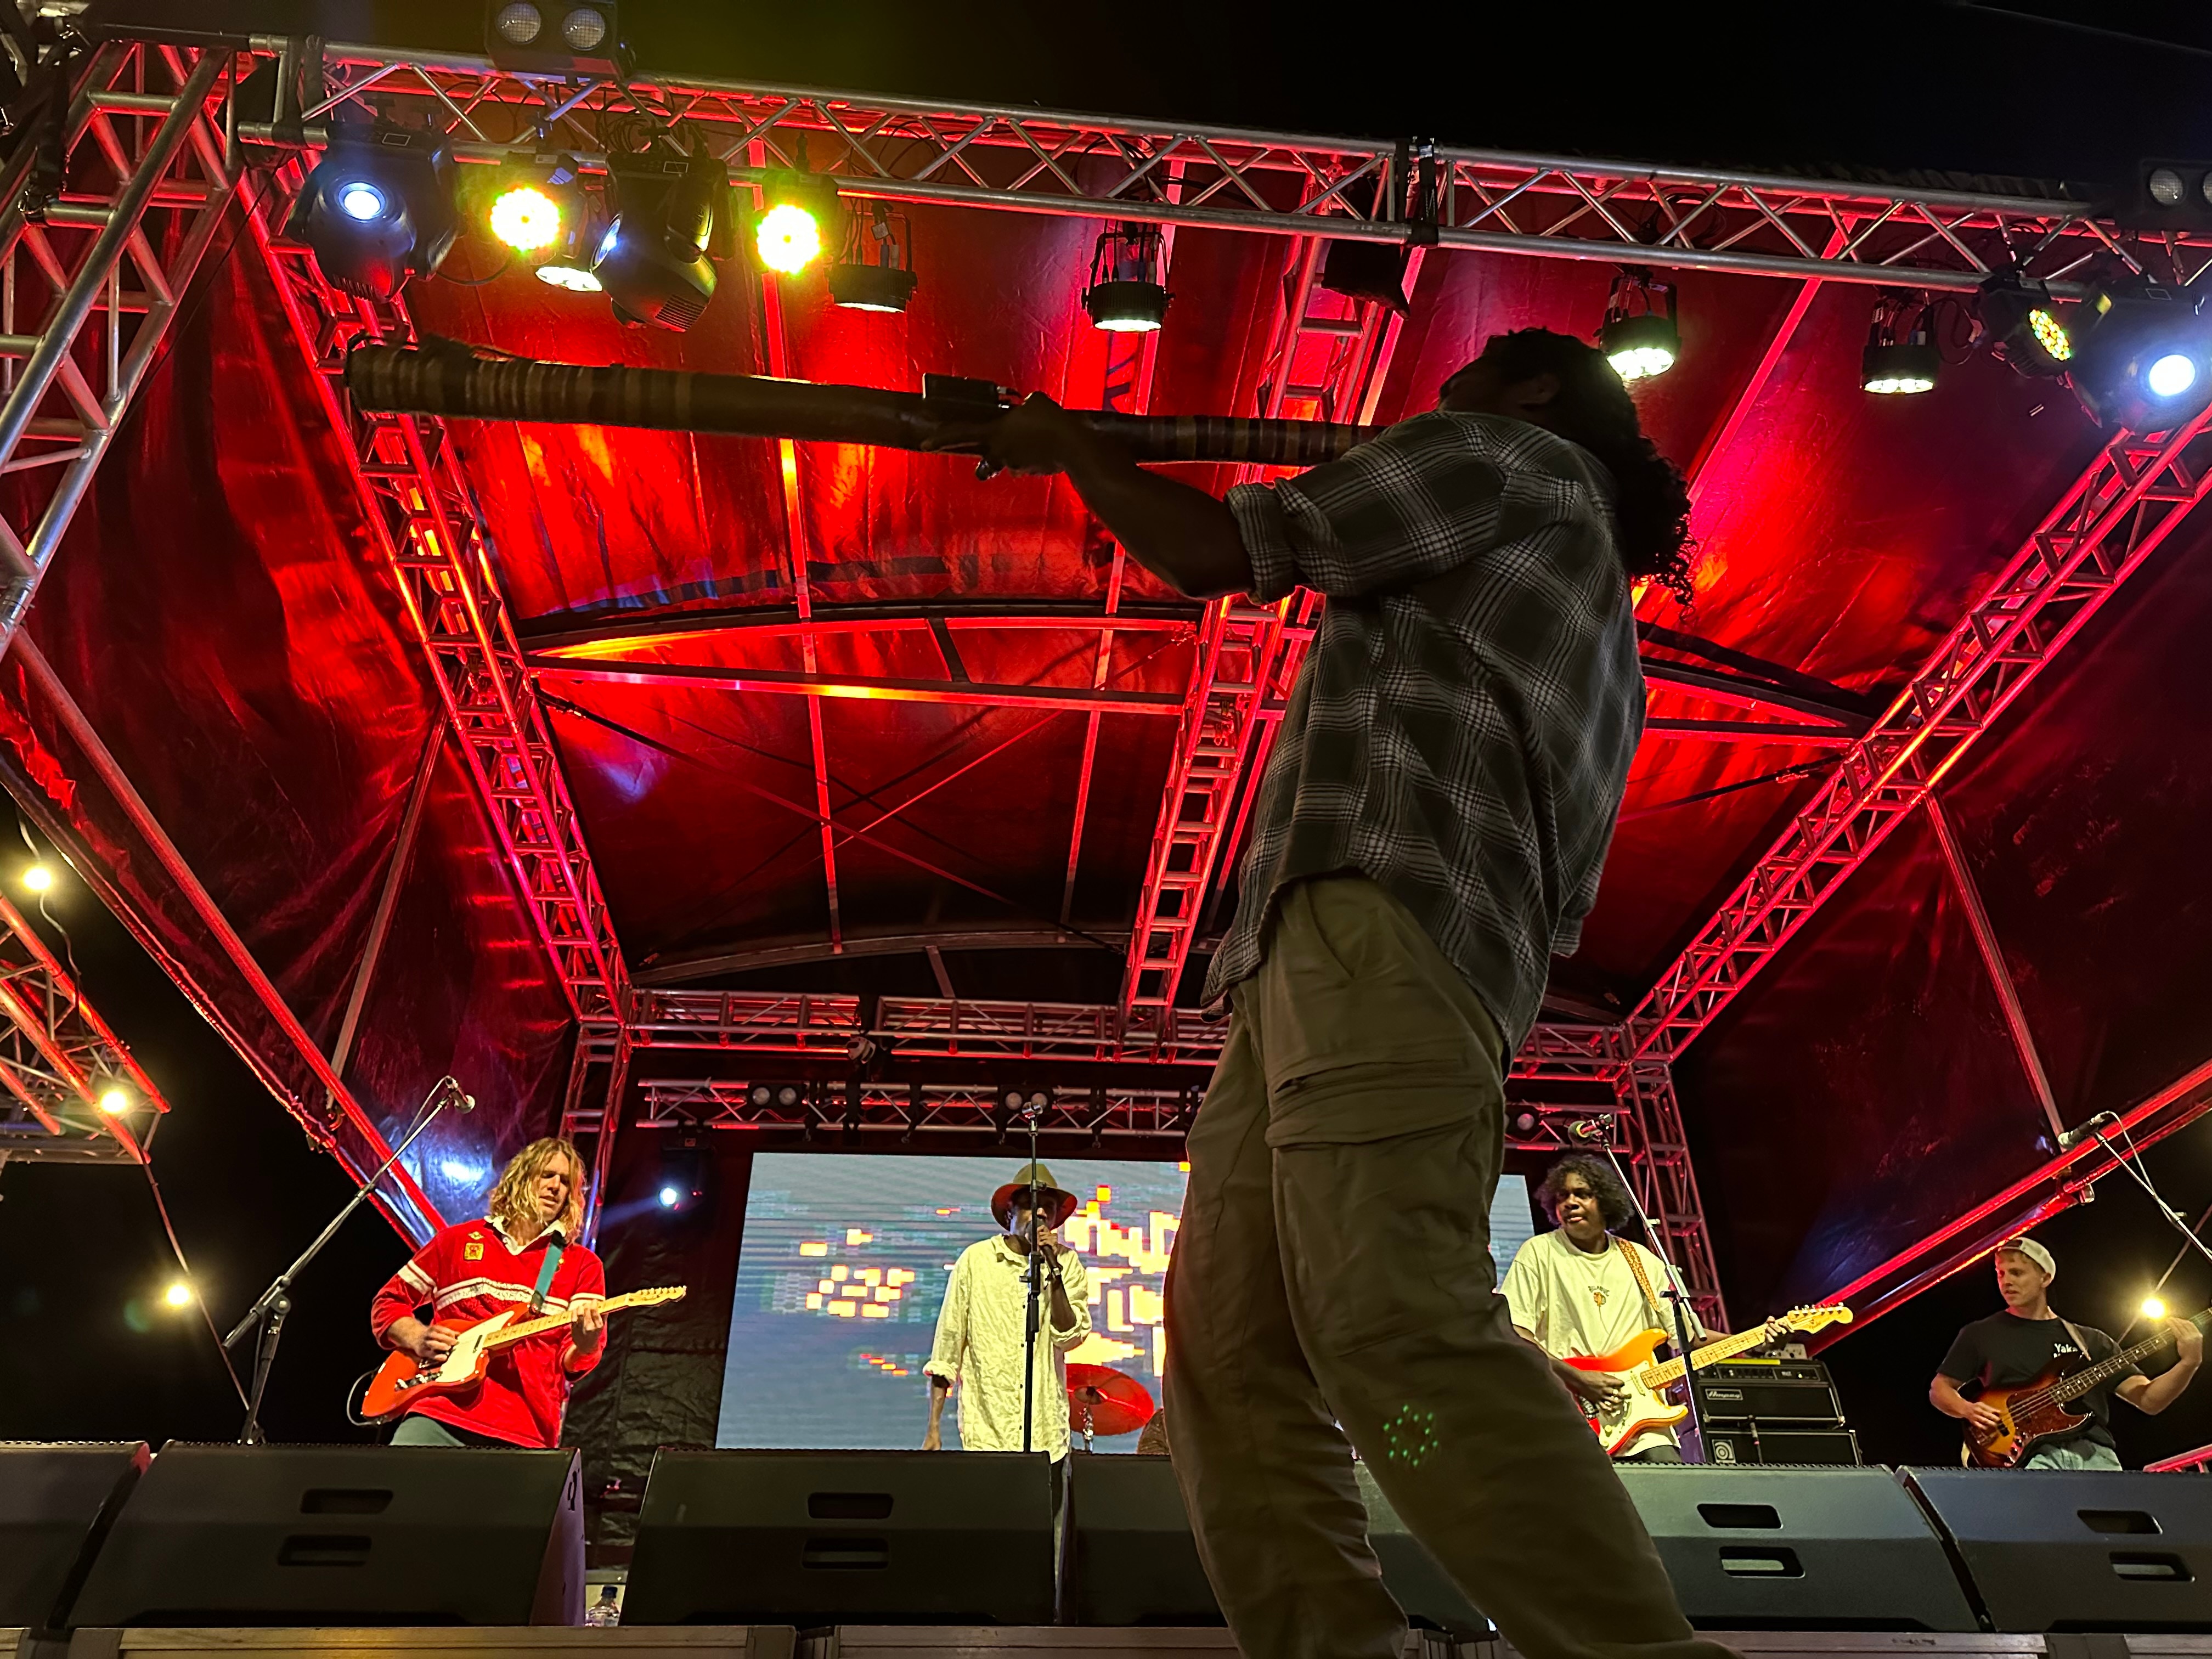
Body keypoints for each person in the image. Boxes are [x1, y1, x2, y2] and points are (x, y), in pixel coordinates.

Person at [936, 329, 1725, 1659]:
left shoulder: (1506, 455)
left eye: (1473, 367)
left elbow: (1220, 553)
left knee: (1390, 1330)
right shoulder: (1590, 607)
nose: (1445, 389)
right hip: (1369, 955)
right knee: (1232, 1359)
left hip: (1381, 927)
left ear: (1536, 393)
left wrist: (1065, 439)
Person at [369, 1136, 607, 1448]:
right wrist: (417, 1336)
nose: (555, 1187)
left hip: (524, 1431)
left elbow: (574, 1361)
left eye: (565, 1182)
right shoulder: (455, 1242)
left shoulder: (581, 1264)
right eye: (546, 1175)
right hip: (438, 1412)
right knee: (398, 1490)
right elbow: (388, 1302)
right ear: (520, 1177)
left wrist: (587, 1342)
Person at [1503, 1153, 1740, 1463]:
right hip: (1569, 1409)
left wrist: (1759, 1342)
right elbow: (1515, 1333)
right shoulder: (1539, 1252)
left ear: (1606, 1201)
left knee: (1672, 1496)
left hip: (1643, 1418)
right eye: (1563, 1196)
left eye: (1583, 1194)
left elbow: (1688, 1337)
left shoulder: (1640, 1259)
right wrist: (1579, 1379)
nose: (1570, 1203)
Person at [1931, 1236, 2200, 1469]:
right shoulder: (1980, 1333)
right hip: (2027, 1457)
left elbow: (2149, 1400)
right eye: (2001, 1274)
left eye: (2017, 1272)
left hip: (2095, 1455)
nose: (2006, 1282)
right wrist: (1968, 1410)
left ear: (2045, 1278)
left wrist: (2189, 1362)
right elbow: (1939, 1389)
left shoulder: (2090, 1340)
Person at [923, 1161, 1093, 1458]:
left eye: (1048, 1208)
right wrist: (933, 1429)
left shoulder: (1065, 1263)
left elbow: (1068, 1337)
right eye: (1031, 1206)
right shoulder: (976, 1261)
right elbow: (947, 1348)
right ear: (1010, 1213)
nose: (1040, 1214)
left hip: (1046, 1435)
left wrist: (1053, 1272)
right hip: (988, 1432)